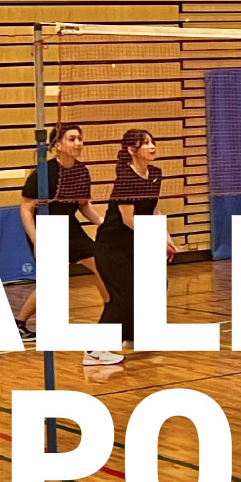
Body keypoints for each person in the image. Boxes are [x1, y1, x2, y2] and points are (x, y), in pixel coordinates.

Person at [88, 129, 177, 366]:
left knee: (157, 286)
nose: (152, 146)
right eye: (145, 143)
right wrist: (156, 242)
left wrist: (166, 239)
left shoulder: (155, 174)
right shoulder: (126, 179)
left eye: (152, 142)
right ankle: (94, 350)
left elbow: (154, 210)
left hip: (136, 245)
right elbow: (129, 220)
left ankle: (130, 335)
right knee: (125, 297)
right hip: (112, 247)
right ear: (131, 150)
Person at [16, 121, 107, 342]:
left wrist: (101, 222)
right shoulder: (43, 172)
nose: (78, 143)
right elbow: (26, 209)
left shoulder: (82, 171)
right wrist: (37, 240)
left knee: (102, 265)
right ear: (57, 145)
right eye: (72, 139)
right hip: (47, 229)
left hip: (70, 227)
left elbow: (83, 205)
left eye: (80, 138)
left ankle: (112, 316)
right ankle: (19, 324)